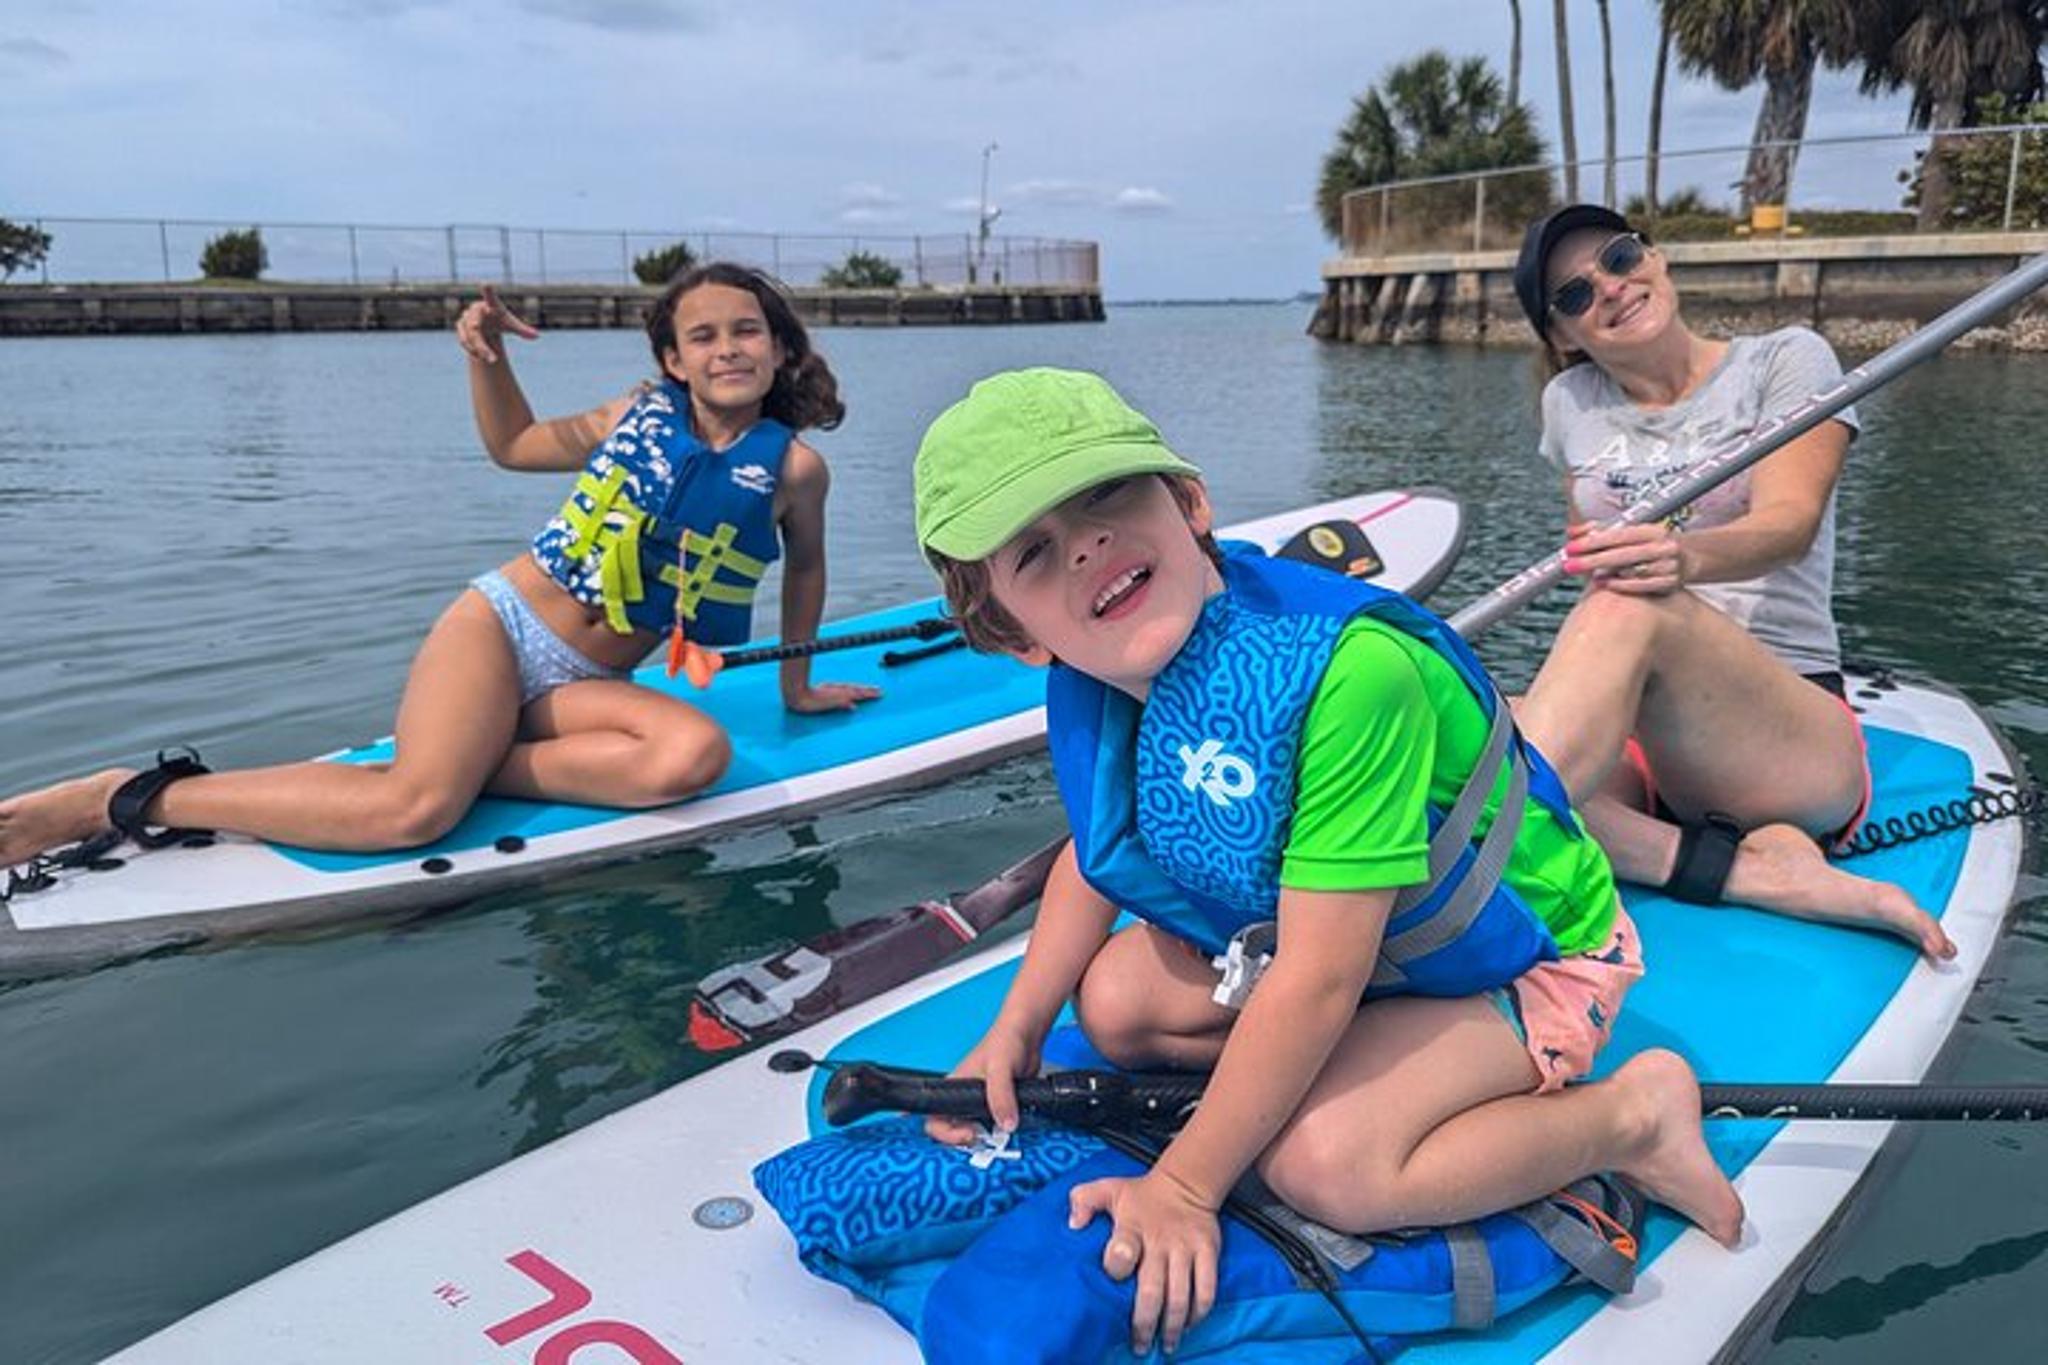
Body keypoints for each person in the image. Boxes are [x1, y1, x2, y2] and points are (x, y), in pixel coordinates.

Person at [910, 367, 1742, 1357]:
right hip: (1356, 952)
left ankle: (1629, 1119)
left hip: (1527, 960)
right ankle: (1371, 1067)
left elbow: (1317, 976)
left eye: (1105, 496)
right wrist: (1016, 1028)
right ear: (1010, 631)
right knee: (1112, 1005)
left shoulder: (1348, 676)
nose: (1085, 544)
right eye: (1035, 553)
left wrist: (1183, 1186)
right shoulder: (1107, 676)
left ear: (1187, 504)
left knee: (1325, 1165)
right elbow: (1097, 859)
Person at [0, 263, 876, 866]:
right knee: (415, 812)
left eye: (747, 331)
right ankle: (127, 796)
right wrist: (485, 357)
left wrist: (799, 685)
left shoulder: (794, 470)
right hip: (503, 628)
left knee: (692, 754)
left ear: (780, 348)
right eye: (704, 335)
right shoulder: (630, 417)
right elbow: (514, 444)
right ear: (672, 360)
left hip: (575, 689)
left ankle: (458, 750)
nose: (728, 347)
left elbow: (804, 573)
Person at [1507, 205, 1952, 960]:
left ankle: (1459, 861)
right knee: (1449, 719)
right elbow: (1584, 544)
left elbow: (1790, 522)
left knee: (1628, 605)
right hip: (1648, 733)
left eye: (1618, 258)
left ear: (1656, 258)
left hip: (1784, 723)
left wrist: (1684, 561)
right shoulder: (1569, 403)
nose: (1609, 288)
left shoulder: (1785, 359)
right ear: (1560, 336)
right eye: (1575, 295)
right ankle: (1746, 869)